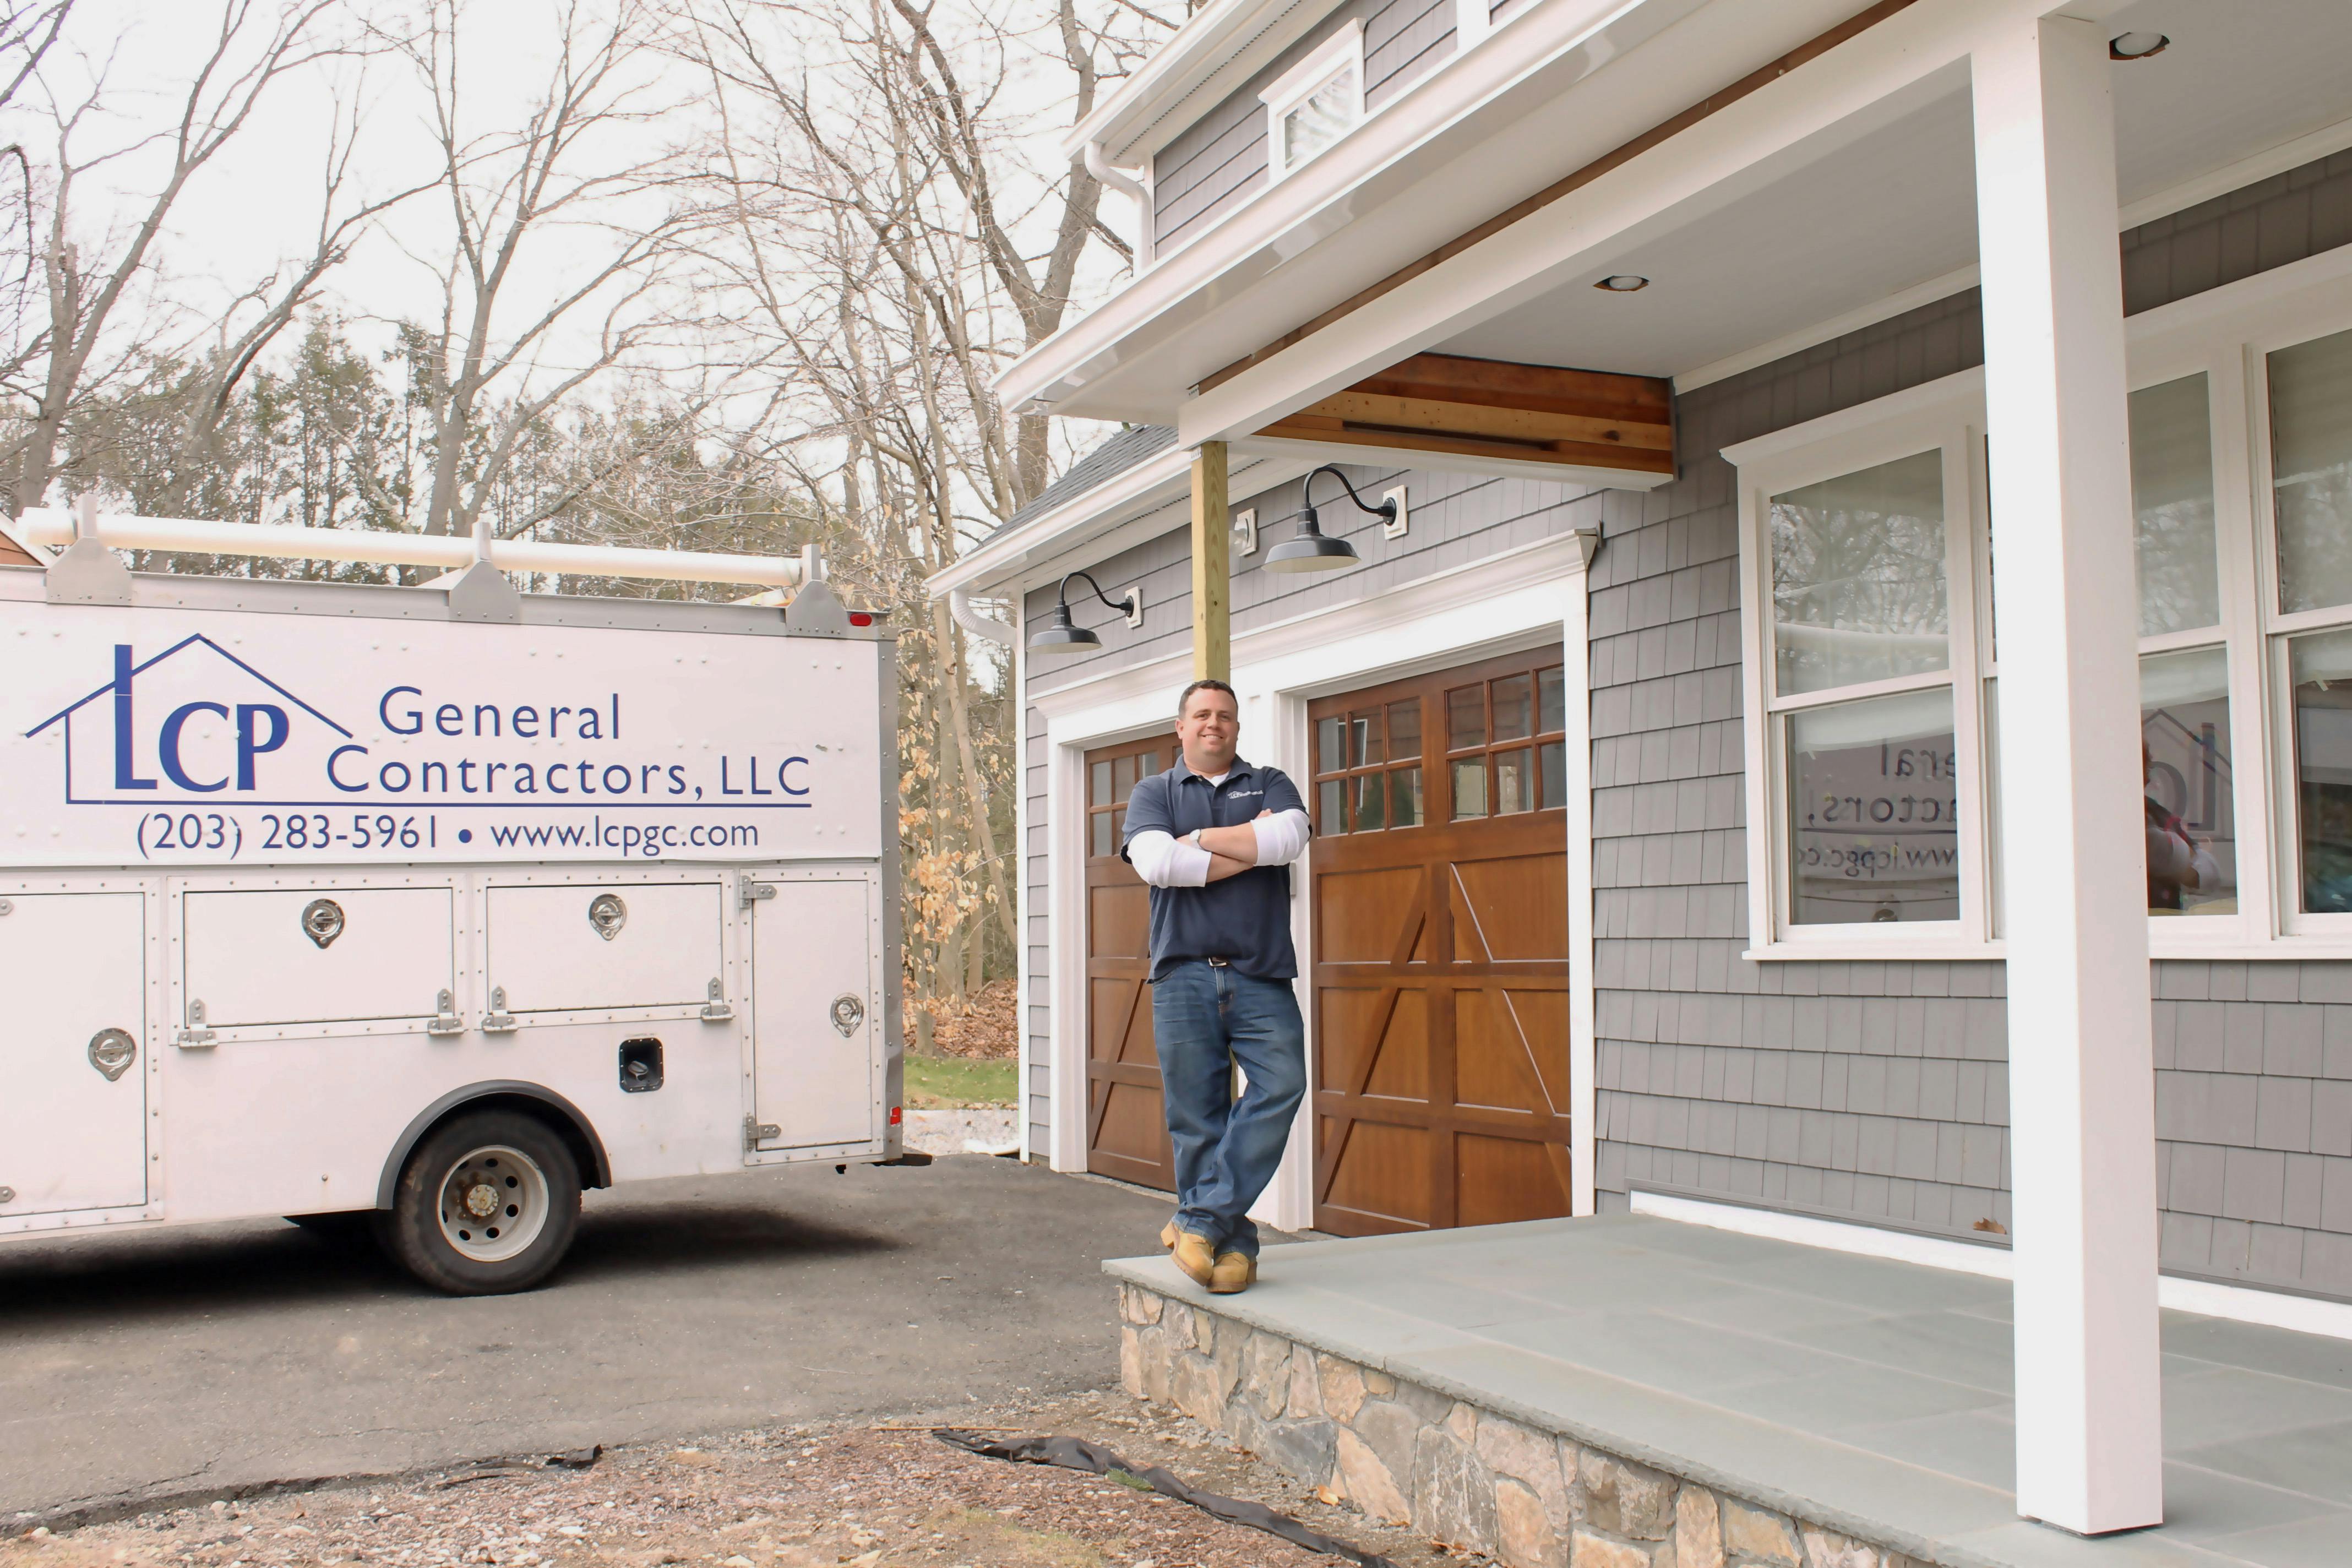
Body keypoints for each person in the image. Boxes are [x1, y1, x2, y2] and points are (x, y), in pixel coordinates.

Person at [1120, 678, 1312, 1294]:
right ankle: (1231, 1244)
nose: (1214, 723)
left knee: (1283, 1085)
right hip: (1182, 975)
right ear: (1180, 727)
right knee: (1196, 1117)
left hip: (1260, 971)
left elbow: (1289, 840)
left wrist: (1200, 841)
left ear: (1236, 727)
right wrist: (1249, 848)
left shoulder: (1271, 782)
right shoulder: (1154, 791)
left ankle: (1199, 1220)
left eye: (1224, 715)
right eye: (1201, 714)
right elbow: (1157, 864)